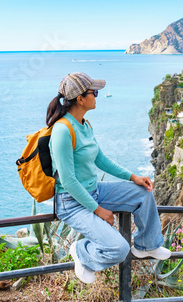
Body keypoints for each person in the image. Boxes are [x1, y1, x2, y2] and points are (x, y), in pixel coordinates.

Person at [47, 72, 171, 284]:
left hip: (93, 190)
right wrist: (98, 210)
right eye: (94, 92)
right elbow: (67, 181)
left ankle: (146, 245)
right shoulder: (62, 131)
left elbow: (100, 159)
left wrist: (133, 177)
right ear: (80, 99)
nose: (97, 96)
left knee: (143, 193)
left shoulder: (84, 124)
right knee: (119, 249)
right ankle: (82, 251)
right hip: (71, 202)